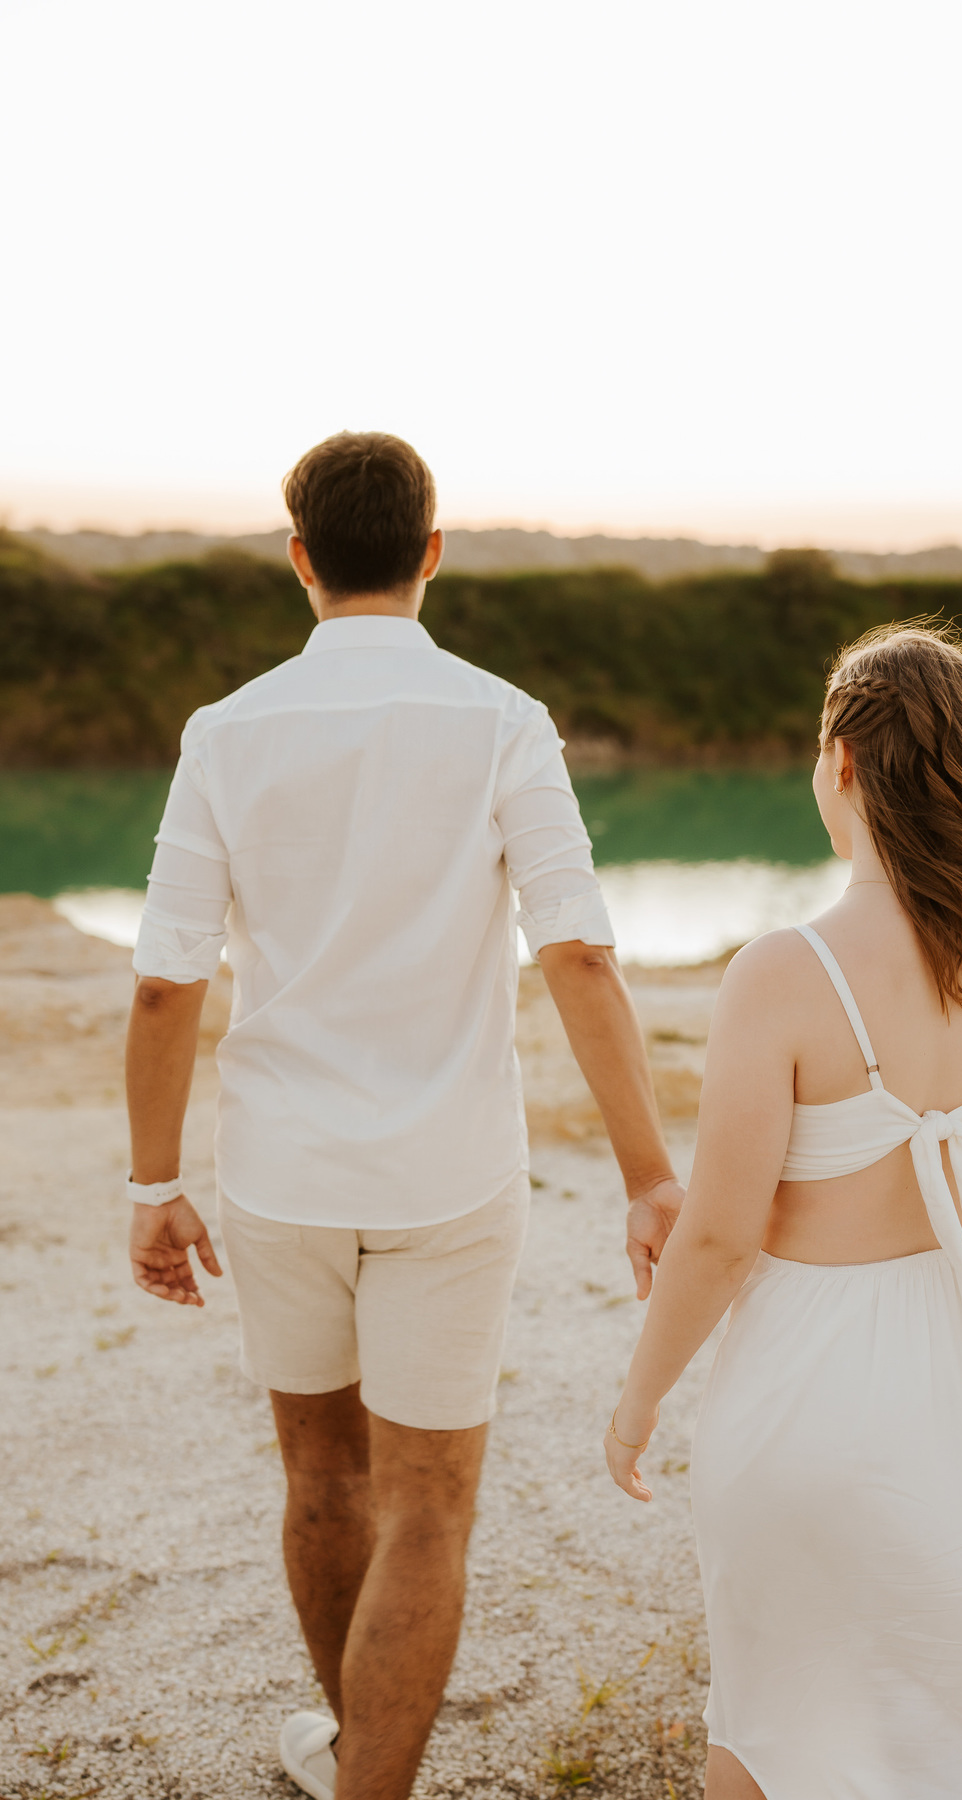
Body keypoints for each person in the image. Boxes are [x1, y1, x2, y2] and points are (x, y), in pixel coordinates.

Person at [124, 431, 684, 1800]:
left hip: (281, 1174)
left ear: (300, 556)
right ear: (432, 551)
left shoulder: (226, 732)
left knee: (321, 1480)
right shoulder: (502, 718)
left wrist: (151, 1187)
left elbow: (163, 985)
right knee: (428, 1498)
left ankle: (355, 1757)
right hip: (447, 1174)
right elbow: (581, 956)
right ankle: (372, 1771)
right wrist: (649, 1176)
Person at [604, 624, 962, 1798]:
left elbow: (717, 1233)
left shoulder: (784, 970)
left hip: (816, 1376)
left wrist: (640, 1397)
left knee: (778, 1709)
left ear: (844, 764)